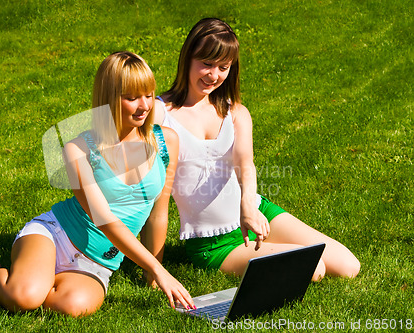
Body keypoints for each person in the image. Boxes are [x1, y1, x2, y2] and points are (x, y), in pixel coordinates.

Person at [0, 51, 195, 317]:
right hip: (57, 236)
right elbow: (104, 218)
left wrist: (152, 274)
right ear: (109, 99)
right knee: (25, 298)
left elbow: (158, 213)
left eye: (148, 94)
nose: (144, 105)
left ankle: (38, 278)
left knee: (73, 307)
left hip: (98, 260)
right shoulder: (78, 150)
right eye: (132, 98)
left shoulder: (166, 141)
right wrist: (160, 270)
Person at [153, 18, 360, 281]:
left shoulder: (235, 112)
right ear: (187, 59)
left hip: (256, 214)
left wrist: (248, 206)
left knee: (348, 267)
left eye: (223, 67)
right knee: (313, 269)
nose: (213, 75)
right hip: (213, 243)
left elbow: (245, 164)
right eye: (206, 63)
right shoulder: (161, 113)